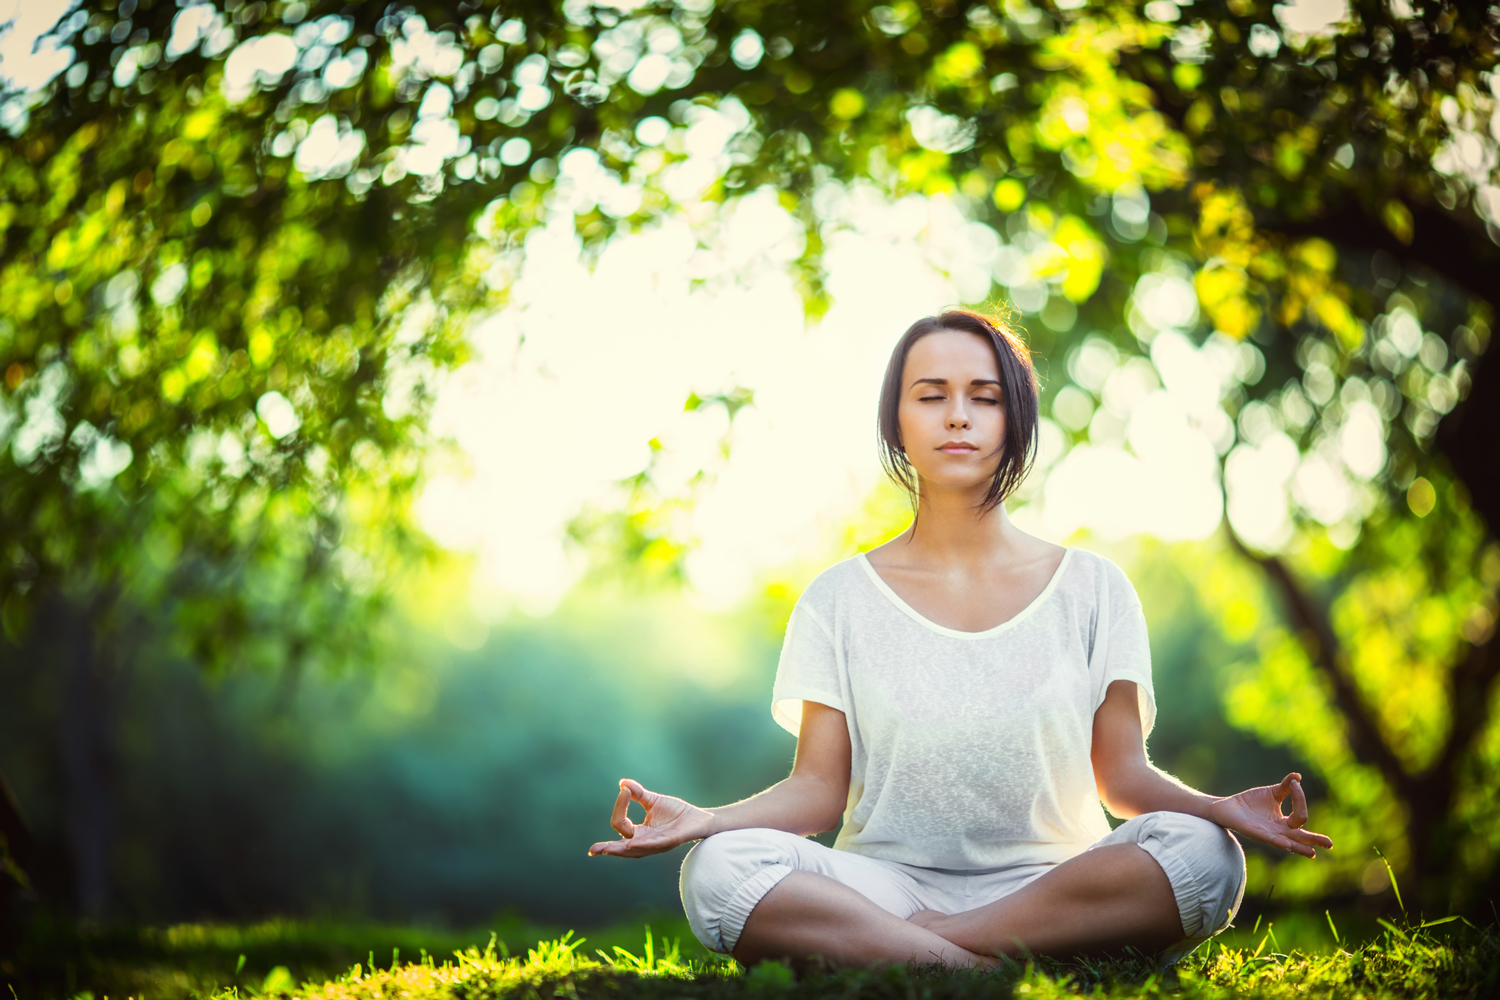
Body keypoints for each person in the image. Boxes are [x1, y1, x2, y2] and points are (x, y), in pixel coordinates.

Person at [587, 310, 1331, 970]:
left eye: (985, 397)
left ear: (1016, 421)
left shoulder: (1095, 588)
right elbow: (818, 792)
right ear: (896, 421)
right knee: (718, 869)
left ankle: (915, 947)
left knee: (1205, 855)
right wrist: (708, 821)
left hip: (1056, 880)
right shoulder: (837, 599)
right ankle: (981, 966)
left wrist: (1217, 809)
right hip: (884, 882)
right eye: (931, 395)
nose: (958, 417)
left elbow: (1123, 779)